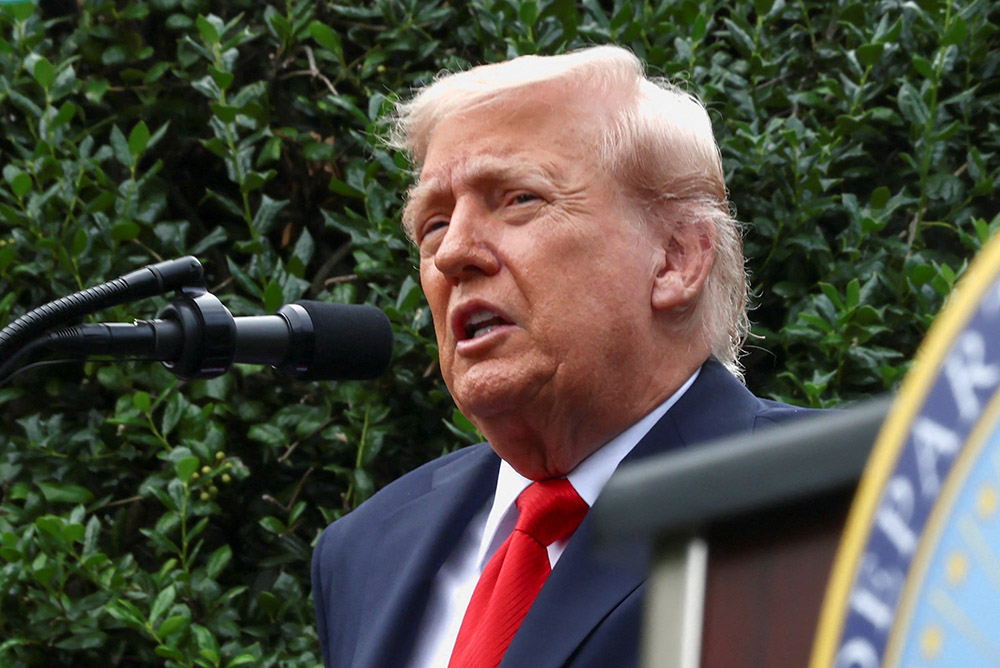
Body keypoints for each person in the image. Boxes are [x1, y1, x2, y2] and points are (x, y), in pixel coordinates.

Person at [311, 45, 811, 668]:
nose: (452, 254)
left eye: (518, 198)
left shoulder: (833, 503)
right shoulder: (365, 549)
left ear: (677, 258)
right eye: (433, 223)